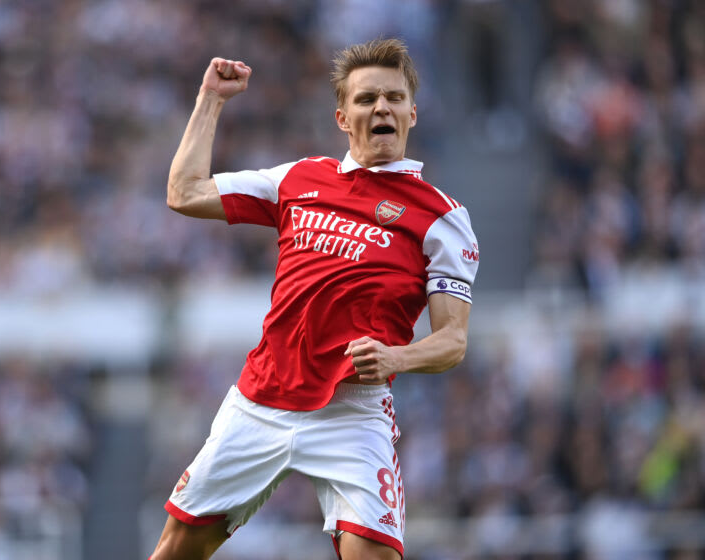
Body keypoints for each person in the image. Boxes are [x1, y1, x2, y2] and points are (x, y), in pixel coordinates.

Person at [153, 38, 478, 560]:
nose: (382, 108)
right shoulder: (298, 179)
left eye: (394, 98)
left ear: (412, 114)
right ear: (343, 117)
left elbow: (453, 342)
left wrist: (396, 357)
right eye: (367, 98)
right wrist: (211, 99)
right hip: (262, 399)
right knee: (176, 552)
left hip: (354, 412)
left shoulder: (441, 218)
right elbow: (184, 192)